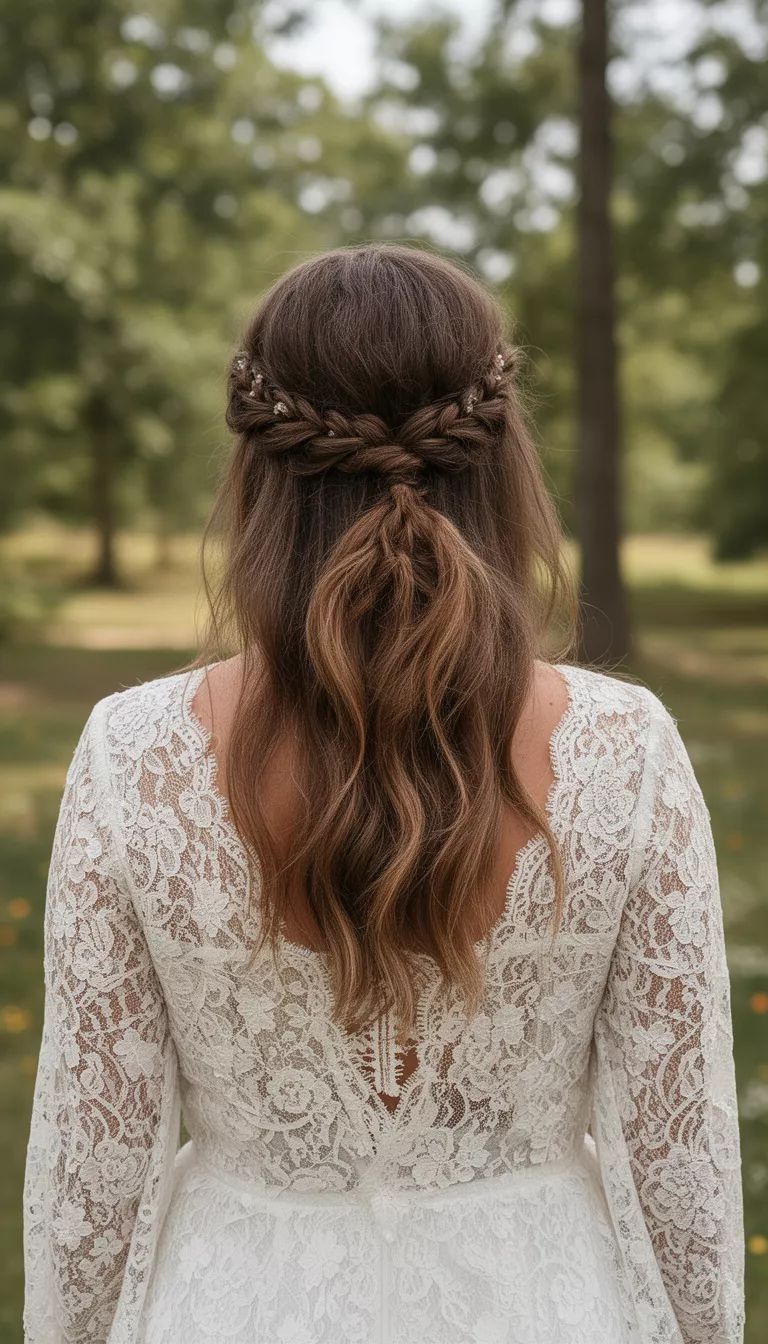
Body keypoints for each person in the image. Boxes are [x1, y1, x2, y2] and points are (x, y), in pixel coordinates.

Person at [23, 244, 744, 1344]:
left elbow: (91, 1182)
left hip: (238, 1305)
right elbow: (680, 1165)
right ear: (500, 455)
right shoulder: (624, 751)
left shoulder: (133, 758)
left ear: (257, 470)